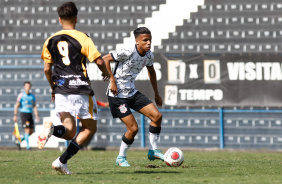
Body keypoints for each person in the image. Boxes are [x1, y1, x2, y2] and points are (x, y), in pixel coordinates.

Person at [39, 1, 110, 174]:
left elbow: (47, 69)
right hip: (80, 89)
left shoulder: (50, 40)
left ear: (59, 19)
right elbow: (99, 60)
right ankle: (62, 160)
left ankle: (53, 132)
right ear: (76, 19)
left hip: (61, 90)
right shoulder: (82, 37)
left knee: (69, 132)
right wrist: (106, 73)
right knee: (90, 129)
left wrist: (53, 88)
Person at [103, 27, 164, 167]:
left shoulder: (149, 56)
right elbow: (104, 59)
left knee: (157, 116)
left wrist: (156, 94)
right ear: (137, 41)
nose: (149, 43)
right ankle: (121, 157)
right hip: (117, 95)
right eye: (145, 40)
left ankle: (153, 150)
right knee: (133, 129)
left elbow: (152, 72)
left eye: (150, 40)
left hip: (131, 92)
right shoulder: (128, 51)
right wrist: (112, 80)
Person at [13, 81, 40, 150]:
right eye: (26, 86)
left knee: (31, 131)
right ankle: (28, 146)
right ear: (24, 87)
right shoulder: (21, 95)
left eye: (29, 86)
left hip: (30, 114)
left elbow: (34, 106)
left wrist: (36, 115)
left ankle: (19, 141)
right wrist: (15, 115)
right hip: (24, 114)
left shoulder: (32, 96)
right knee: (27, 130)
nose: (28, 87)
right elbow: (17, 105)